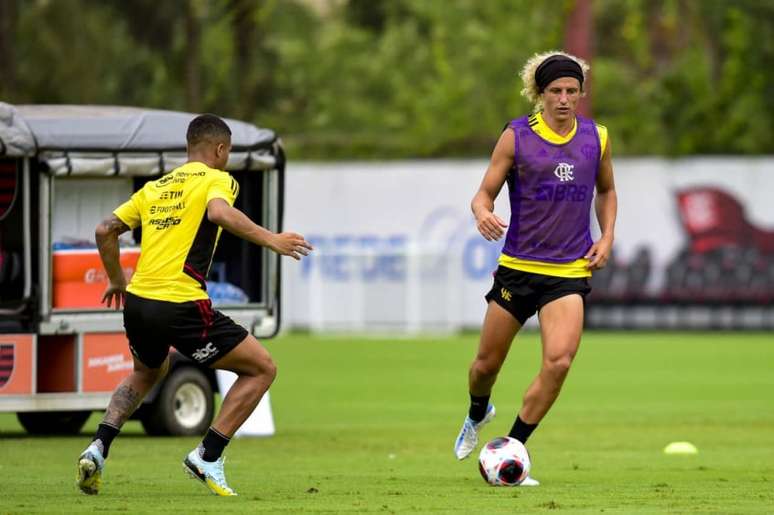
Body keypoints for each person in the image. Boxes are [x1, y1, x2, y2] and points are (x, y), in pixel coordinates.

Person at [76, 114, 313, 496]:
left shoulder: (156, 187)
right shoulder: (216, 179)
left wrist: (117, 280)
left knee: (147, 372)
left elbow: (106, 230)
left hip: (138, 301)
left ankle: (98, 448)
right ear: (220, 150)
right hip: (179, 303)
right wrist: (272, 240)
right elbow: (219, 213)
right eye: (228, 153)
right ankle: (208, 454)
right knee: (262, 369)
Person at [453, 51, 617, 485]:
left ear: (581, 93)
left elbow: (607, 190)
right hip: (518, 268)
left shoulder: (596, 137)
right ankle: (476, 412)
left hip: (567, 273)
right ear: (540, 94)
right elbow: (482, 194)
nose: (564, 99)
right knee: (485, 366)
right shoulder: (516, 136)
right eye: (555, 91)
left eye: (572, 91)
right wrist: (481, 212)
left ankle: (512, 446)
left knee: (559, 362)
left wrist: (607, 236)